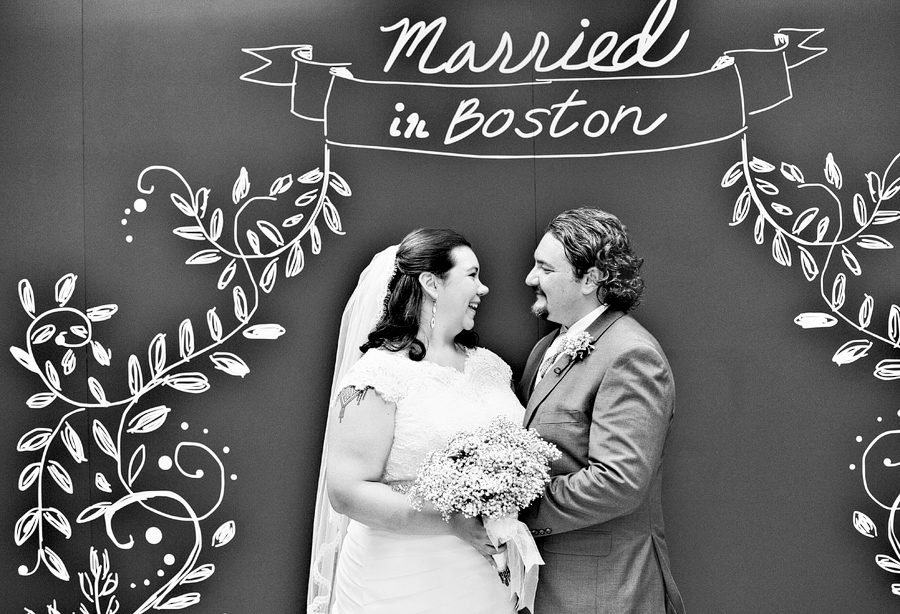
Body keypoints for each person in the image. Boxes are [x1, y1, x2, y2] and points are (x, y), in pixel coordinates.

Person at [306, 228, 522, 614]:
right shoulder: (378, 375)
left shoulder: (492, 367)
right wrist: (452, 520)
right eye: (472, 275)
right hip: (399, 580)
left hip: (485, 579)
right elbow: (346, 491)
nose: (484, 288)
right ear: (431, 283)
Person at [517, 208, 686, 614]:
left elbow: (618, 481)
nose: (530, 279)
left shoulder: (631, 354)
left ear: (590, 279)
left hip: (604, 590)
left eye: (544, 267)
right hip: (545, 585)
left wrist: (515, 506)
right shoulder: (546, 348)